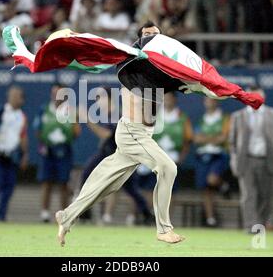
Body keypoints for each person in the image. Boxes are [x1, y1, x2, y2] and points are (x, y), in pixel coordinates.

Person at [55, 22, 186, 246]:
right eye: (147, 35)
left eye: (156, 35)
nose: (152, 38)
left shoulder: (159, 66)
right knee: (167, 168)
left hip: (140, 132)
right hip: (133, 132)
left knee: (107, 181)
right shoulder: (133, 62)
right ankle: (164, 228)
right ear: (139, 40)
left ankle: (66, 216)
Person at [77, 87, 154, 226]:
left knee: (131, 188)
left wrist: (86, 119)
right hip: (106, 153)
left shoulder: (117, 114)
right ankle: (84, 212)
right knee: (87, 175)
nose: (98, 102)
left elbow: (105, 134)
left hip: (120, 156)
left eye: (101, 98)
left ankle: (146, 214)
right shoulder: (107, 115)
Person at [229, 86, 273, 231]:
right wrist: (234, 161)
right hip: (246, 160)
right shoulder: (237, 116)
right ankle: (251, 226)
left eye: (259, 97)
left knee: (267, 196)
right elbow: (232, 142)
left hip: (268, 159)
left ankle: (262, 225)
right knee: (248, 195)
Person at [34, 83, 81, 223]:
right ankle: (44, 213)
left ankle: (64, 214)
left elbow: (77, 131)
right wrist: (45, 140)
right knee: (46, 181)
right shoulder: (44, 109)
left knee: (64, 183)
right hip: (48, 149)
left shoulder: (70, 111)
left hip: (64, 149)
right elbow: (37, 129)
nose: (56, 97)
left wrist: (66, 136)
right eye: (54, 93)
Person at [0, 86, 29, 221]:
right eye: (13, 95)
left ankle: (1, 217)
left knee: (8, 189)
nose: (16, 99)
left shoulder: (22, 116)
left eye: (18, 96)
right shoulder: (0, 111)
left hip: (12, 157)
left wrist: (25, 154)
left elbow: (23, 135)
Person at [193, 97, 230, 227]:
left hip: (219, 155)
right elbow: (196, 139)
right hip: (203, 155)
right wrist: (214, 138)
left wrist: (206, 138)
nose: (209, 102)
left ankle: (222, 185)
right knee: (206, 189)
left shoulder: (224, 118)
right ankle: (210, 219)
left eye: (212, 100)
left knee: (212, 180)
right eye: (207, 100)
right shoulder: (202, 119)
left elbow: (223, 138)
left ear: (217, 101)